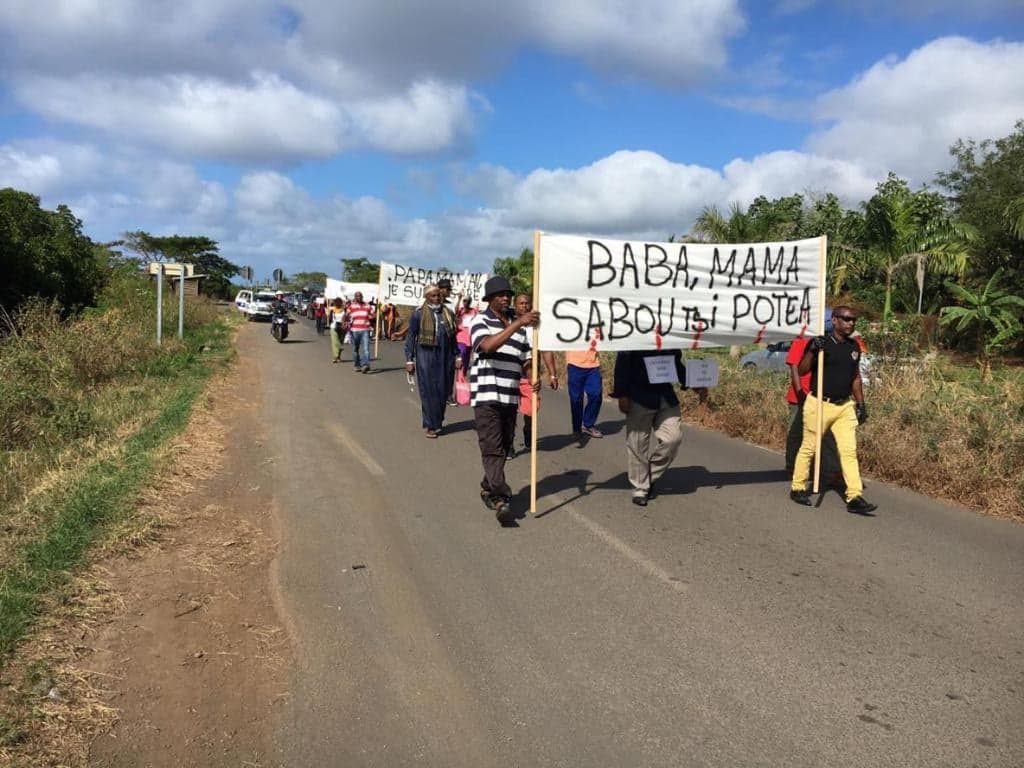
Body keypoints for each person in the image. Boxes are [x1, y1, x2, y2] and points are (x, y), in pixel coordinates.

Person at [789, 305, 877, 514]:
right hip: (819, 404)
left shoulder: (854, 347)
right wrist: (812, 351)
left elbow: (855, 378)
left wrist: (861, 403)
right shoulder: (821, 343)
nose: (850, 323)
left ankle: (854, 496)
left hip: (844, 406)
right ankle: (798, 487)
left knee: (848, 451)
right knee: (809, 447)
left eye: (853, 319)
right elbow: (802, 370)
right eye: (846, 319)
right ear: (835, 320)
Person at [470, 276, 539, 524]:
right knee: (492, 446)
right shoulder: (480, 321)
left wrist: (532, 376)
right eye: (500, 295)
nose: (506, 298)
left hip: (510, 396)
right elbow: (488, 346)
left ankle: (488, 486)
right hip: (487, 395)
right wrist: (518, 323)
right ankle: (501, 497)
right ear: (489, 299)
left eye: (508, 294)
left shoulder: (518, 327)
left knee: (505, 445)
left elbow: (525, 359)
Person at [611, 348, 705, 507]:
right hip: (638, 397)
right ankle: (640, 488)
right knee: (637, 444)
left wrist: (692, 382)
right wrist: (622, 394)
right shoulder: (634, 337)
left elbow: (676, 364)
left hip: (665, 397)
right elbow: (622, 364)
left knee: (673, 439)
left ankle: (648, 476)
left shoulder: (670, 339)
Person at [785, 328, 842, 491]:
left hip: (823, 398)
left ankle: (831, 473)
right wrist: (800, 394)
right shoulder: (802, 339)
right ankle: (793, 468)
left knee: (828, 436)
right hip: (801, 396)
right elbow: (794, 367)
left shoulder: (834, 342)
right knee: (797, 434)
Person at [404, 284, 458, 438]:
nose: (437, 298)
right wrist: (409, 360)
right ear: (426, 297)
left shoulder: (448, 313)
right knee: (428, 391)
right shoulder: (418, 314)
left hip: (446, 356)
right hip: (426, 356)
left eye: (438, 295)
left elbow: (453, 337)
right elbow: (411, 337)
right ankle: (430, 425)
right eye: (433, 296)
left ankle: (437, 420)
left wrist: (458, 355)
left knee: (443, 390)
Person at [509, 293, 558, 457]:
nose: (524, 306)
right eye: (521, 303)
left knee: (531, 411)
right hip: (511, 374)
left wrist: (552, 374)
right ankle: (509, 443)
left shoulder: (537, 326)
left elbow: (546, 350)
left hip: (531, 377)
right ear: (515, 305)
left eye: (527, 303)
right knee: (509, 411)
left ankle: (528, 430)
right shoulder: (508, 323)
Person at [566, 344, 604, 439]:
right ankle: (577, 428)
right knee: (576, 399)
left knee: (596, 394)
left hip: (593, 365)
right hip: (574, 364)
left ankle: (588, 425)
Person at [345, 291, 373, 372]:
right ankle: (357, 365)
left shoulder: (367, 306)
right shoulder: (351, 306)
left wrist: (372, 316)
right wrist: (345, 322)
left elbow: (373, 315)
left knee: (366, 349)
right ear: (355, 298)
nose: (359, 297)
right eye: (357, 296)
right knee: (355, 349)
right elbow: (346, 315)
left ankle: (365, 365)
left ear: (362, 297)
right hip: (355, 330)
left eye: (360, 296)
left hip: (365, 329)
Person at [327, 298, 346, 363]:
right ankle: (335, 357)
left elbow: (346, 318)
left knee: (340, 341)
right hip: (334, 327)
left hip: (342, 328)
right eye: (336, 303)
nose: (337, 304)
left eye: (339, 303)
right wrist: (329, 307)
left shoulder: (344, 310)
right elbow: (327, 314)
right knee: (335, 342)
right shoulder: (332, 309)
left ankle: (338, 357)